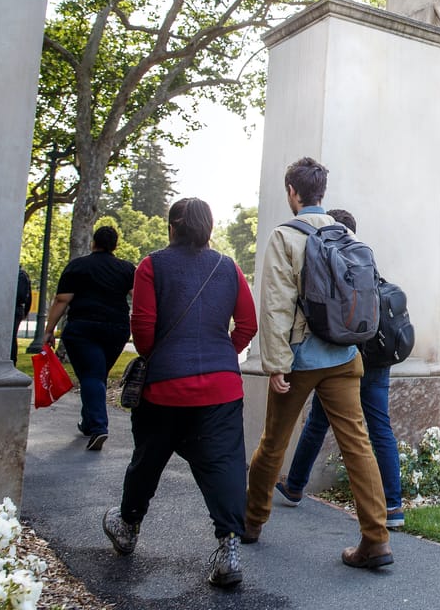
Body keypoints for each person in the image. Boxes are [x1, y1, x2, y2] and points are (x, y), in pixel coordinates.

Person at [101, 197, 258, 590]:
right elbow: (248, 324)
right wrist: (223, 353)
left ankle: (128, 526)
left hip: (165, 386)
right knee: (224, 464)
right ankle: (228, 549)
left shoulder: (151, 266)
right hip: (222, 387)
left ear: (172, 227)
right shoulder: (228, 267)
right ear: (209, 227)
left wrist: (168, 357)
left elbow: (144, 332)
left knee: (148, 458)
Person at [245, 157, 393, 569]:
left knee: (273, 442)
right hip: (346, 355)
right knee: (358, 445)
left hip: (301, 358)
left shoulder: (284, 236)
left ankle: (252, 522)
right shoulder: (343, 232)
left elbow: (276, 305)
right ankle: (375, 539)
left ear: (293, 193)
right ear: (321, 193)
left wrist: (275, 364)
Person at [274, 208, 404, 529]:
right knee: (380, 428)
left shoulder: (329, 260)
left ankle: (294, 486)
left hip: (345, 359)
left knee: (317, 422)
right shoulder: (367, 261)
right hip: (378, 358)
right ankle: (393, 506)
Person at [43, 225, 136, 451]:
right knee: (96, 374)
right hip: (117, 329)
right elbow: (138, 297)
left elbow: (62, 300)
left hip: (83, 328)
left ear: (93, 242)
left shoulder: (78, 266)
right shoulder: (126, 269)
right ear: (115, 245)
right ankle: (87, 422)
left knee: (92, 374)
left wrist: (48, 330)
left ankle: (98, 427)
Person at [12, 266, 32, 363]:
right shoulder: (22, 275)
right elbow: (28, 297)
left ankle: (11, 360)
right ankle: (12, 361)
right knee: (12, 338)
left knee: (11, 338)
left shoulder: (19, 275)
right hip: (18, 309)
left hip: (14, 309)